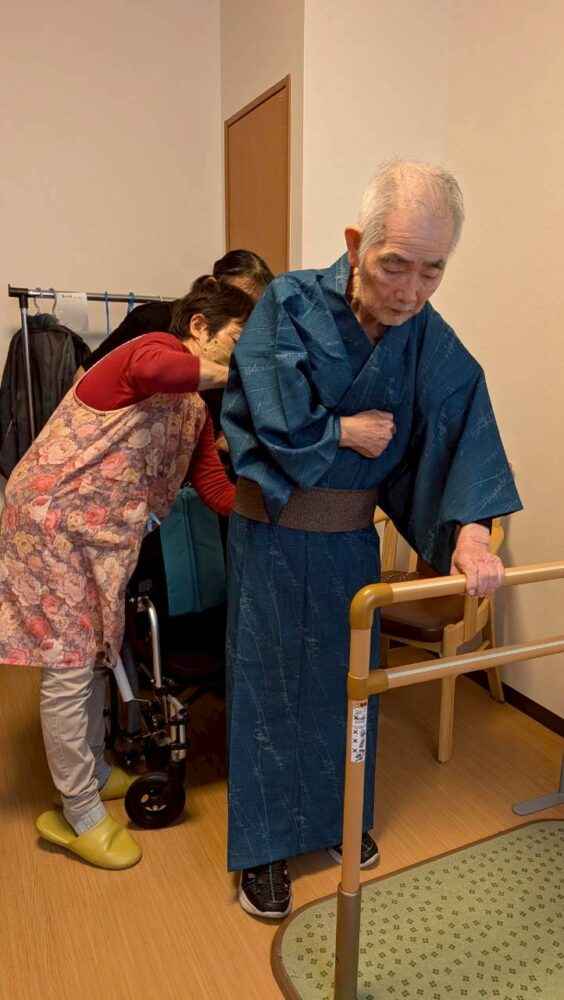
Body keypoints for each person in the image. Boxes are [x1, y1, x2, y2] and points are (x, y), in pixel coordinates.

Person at [221, 160, 523, 918]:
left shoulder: (427, 336)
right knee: (272, 688)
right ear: (356, 244)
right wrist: (342, 432)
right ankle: (263, 851)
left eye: (433, 270)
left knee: (350, 686)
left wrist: (472, 537)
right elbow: (271, 417)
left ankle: (342, 815)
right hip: (274, 536)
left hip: (352, 543)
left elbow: (462, 424)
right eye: (395, 265)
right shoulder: (289, 303)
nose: (411, 291)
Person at [0, 279, 254, 870]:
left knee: (96, 654)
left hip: (102, 540)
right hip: (53, 524)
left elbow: (213, 487)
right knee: (69, 665)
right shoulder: (147, 351)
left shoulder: (192, 411)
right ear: (199, 327)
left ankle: (89, 772)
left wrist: (271, 508)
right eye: (238, 342)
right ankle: (78, 812)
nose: (242, 358)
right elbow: (163, 371)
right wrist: (249, 375)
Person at [75, 249, 274, 378]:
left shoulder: (243, 340)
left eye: (256, 309)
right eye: (238, 300)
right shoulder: (153, 320)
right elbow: (83, 377)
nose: (247, 315)